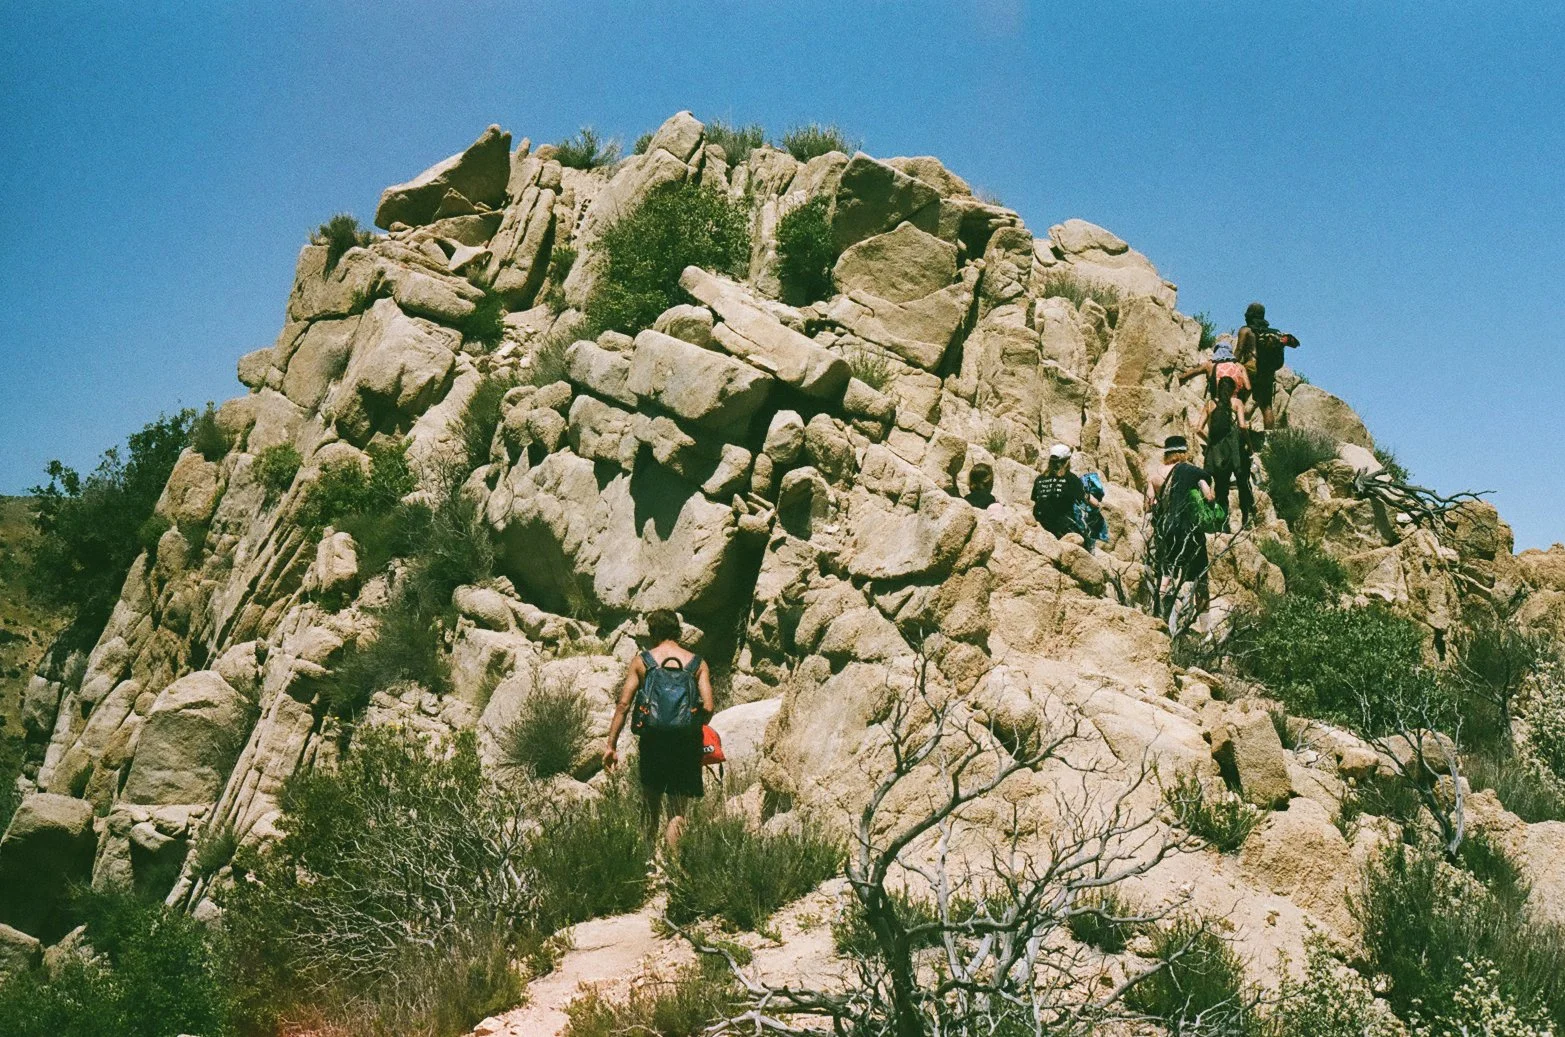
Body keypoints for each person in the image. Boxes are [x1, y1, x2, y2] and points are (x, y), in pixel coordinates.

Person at [603, 609, 715, 849]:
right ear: (677, 631)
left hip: (652, 739)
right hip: (685, 741)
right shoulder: (697, 663)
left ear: (653, 632)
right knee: (677, 808)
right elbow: (708, 706)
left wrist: (611, 745)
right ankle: (671, 870)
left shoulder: (643, 661)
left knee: (650, 800)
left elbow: (623, 704)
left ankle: (648, 863)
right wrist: (688, 724)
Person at [1146, 435, 1217, 636]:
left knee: (1166, 575)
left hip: (1166, 531)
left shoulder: (1155, 475)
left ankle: (1160, 619)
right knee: (1200, 579)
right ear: (1183, 452)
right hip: (1190, 532)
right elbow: (1208, 496)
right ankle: (1206, 632)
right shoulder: (1193, 472)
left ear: (1167, 453)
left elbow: (1148, 506)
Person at [1196, 375, 1254, 528]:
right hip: (1232, 451)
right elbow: (1242, 426)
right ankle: (1243, 519)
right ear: (1234, 390)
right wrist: (1250, 445)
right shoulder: (1237, 403)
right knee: (1237, 485)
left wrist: (1210, 441)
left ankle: (1217, 522)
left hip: (1214, 452)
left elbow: (1198, 429)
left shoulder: (1210, 404)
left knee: (1215, 486)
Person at [1234, 301, 1298, 429]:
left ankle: (1236, 430)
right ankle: (1269, 437)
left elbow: (1239, 351)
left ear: (1250, 315)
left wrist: (1230, 366)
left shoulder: (1246, 330)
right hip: (1267, 373)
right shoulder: (1274, 333)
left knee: (1239, 400)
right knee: (1266, 406)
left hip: (1250, 371)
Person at [1031, 444, 1088, 541]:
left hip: (1041, 522)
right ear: (1067, 462)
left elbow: (1035, 499)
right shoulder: (1071, 479)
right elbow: (1084, 498)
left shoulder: (1039, 479)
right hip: (1061, 527)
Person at [1177, 336, 1251, 402]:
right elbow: (1248, 387)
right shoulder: (1240, 366)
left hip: (1216, 403)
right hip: (1234, 403)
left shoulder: (1209, 365)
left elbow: (1194, 371)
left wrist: (1180, 377)